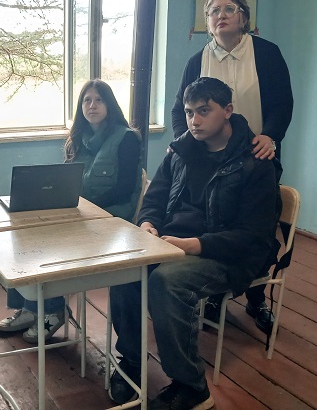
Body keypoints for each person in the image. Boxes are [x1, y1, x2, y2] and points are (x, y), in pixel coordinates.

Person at [108, 77, 278, 409]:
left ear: (227, 110)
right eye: (189, 112)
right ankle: (132, 361)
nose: (194, 121)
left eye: (204, 111)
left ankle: (191, 387)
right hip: (174, 243)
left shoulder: (255, 161)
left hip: (229, 255)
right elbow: (154, 200)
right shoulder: (180, 151)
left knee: (167, 281)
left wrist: (193, 245)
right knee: (125, 272)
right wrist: (148, 224)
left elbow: (253, 236)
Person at [171, 0, 293, 335]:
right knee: (213, 223)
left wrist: (271, 136)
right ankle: (214, 293)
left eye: (229, 9)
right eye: (213, 11)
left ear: (243, 17)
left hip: (257, 155)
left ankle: (256, 297)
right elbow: (180, 111)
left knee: (257, 228)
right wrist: (183, 145)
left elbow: (282, 102)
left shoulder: (266, 53)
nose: (221, 15)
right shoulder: (196, 60)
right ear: (207, 22)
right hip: (210, 157)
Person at [0, 78, 142, 343]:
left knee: (51, 240)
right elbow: (66, 183)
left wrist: (84, 209)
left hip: (112, 219)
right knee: (25, 229)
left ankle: (53, 311)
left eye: (99, 100)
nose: (92, 105)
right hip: (80, 214)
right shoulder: (78, 138)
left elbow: (125, 189)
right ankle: (30, 308)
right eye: (87, 100)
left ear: (109, 104)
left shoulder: (127, 137)